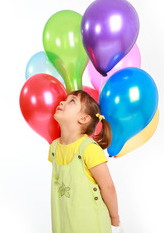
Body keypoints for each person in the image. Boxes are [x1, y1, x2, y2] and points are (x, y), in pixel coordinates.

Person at [48, 90, 121, 233]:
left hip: (92, 225)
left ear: (83, 118)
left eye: (72, 101)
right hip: (64, 224)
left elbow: (108, 186)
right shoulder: (54, 148)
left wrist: (114, 216)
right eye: (66, 99)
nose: (62, 102)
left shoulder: (88, 149)